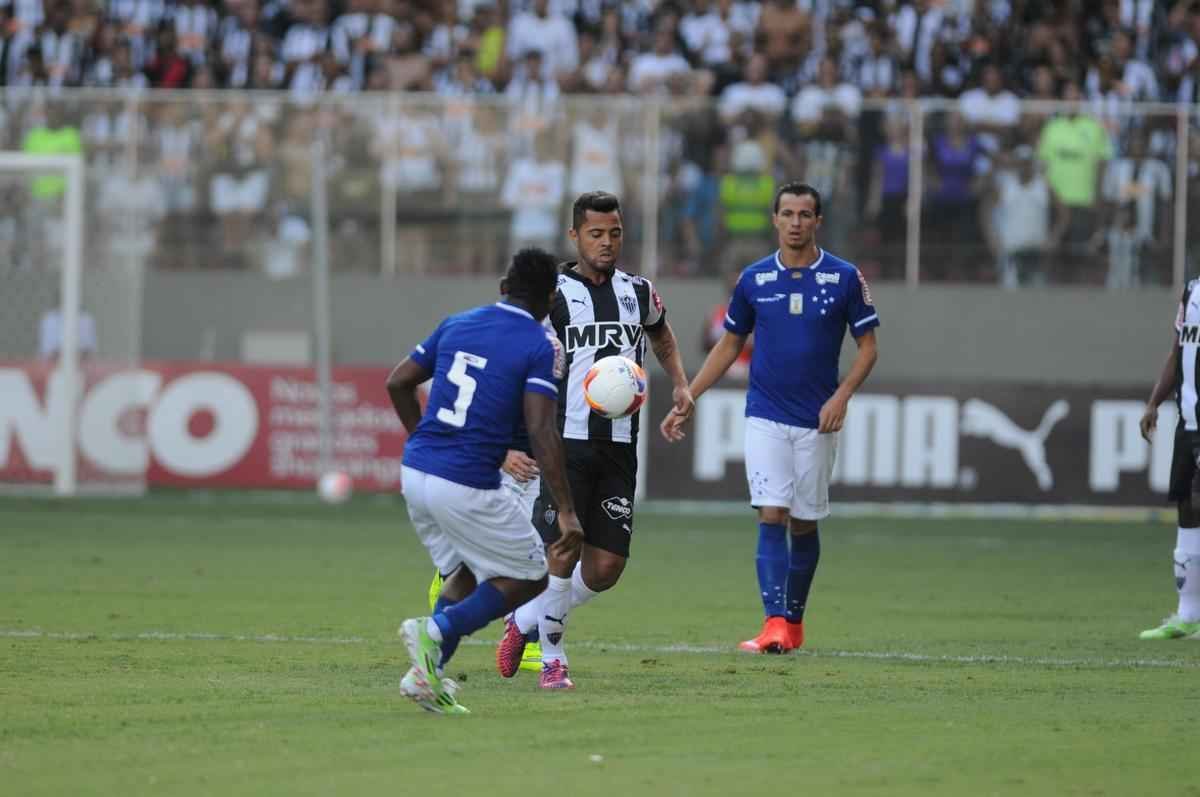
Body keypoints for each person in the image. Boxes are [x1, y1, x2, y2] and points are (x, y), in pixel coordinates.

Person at [661, 182, 880, 654]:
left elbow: (869, 347)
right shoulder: (754, 280)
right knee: (771, 513)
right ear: (775, 219)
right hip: (765, 413)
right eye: (788, 214)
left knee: (803, 522)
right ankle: (774, 622)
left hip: (817, 419)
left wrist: (842, 396)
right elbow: (730, 343)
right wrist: (690, 394)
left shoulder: (844, 278)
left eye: (805, 214)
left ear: (817, 221)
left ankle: (794, 623)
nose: (796, 222)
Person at [495, 190, 694, 689]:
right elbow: (509, 359)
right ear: (575, 236)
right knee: (565, 543)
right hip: (566, 443)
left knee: (606, 566)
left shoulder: (639, 291)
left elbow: (662, 334)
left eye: (615, 233)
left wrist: (682, 383)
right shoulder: (553, 294)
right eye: (596, 234)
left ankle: (523, 621)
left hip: (621, 443)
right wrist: (505, 442)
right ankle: (554, 658)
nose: (607, 243)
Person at [387, 248, 584, 714]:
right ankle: (435, 632)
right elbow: (541, 428)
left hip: (416, 470)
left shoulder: (456, 322)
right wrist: (568, 510)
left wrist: (423, 438)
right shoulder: (541, 345)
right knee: (531, 573)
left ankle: (427, 678)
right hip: (466, 482)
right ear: (550, 298)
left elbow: (398, 382)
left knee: (464, 573)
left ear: (502, 287)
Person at [1137, 280, 1200, 640]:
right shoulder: (1192, 292)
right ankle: (1188, 615)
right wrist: (1153, 402)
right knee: (1188, 509)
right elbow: (1177, 352)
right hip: (1188, 422)